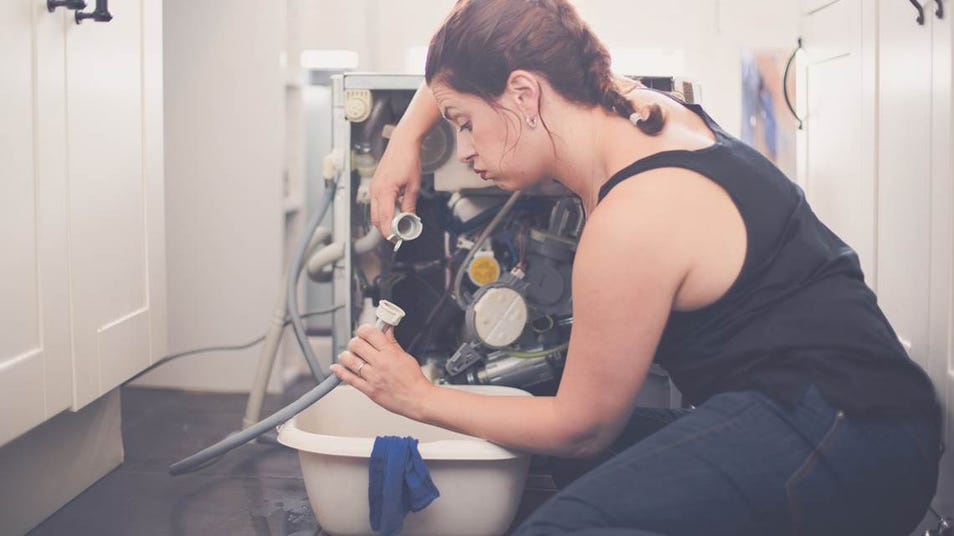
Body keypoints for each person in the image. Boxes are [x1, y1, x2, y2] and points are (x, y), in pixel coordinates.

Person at [329, 1, 943, 534]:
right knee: (540, 423)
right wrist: (407, 135)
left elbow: (581, 428)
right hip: (857, 411)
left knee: (562, 521)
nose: (463, 150)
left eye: (464, 123)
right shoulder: (631, 107)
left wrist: (417, 396)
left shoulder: (631, 218)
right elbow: (499, 13)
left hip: (854, 438)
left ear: (522, 92)